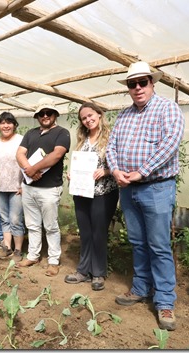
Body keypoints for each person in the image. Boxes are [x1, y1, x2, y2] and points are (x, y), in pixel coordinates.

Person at [106, 61, 185, 331]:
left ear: (153, 83)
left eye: (142, 82)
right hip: (128, 187)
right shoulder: (124, 115)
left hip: (156, 187)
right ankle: (141, 287)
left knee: (159, 245)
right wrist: (116, 170)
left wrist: (142, 171)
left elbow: (171, 143)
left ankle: (164, 301)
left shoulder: (167, 109)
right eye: (132, 83)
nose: (137, 87)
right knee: (138, 242)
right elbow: (111, 146)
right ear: (128, 88)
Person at [65, 102, 119, 291]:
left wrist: (106, 171)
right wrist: (71, 174)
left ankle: (98, 272)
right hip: (82, 192)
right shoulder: (82, 139)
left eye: (90, 115)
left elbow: (121, 162)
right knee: (85, 232)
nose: (88, 120)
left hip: (103, 193)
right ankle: (83, 271)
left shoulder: (112, 136)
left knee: (98, 232)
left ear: (99, 114)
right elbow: (77, 162)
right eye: (84, 118)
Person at [15, 97, 71, 277]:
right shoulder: (31, 133)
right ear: (37, 116)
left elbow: (57, 155)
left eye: (48, 113)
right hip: (29, 187)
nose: (45, 116)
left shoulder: (62, 133)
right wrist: (28, 170)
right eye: (41, 114)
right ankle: (33, 255)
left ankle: (53, 260)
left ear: (55, 114)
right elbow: (20, 153)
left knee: (51, 226)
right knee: (32, 225)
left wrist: (33, 169)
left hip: (49, 189)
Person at [0, 112, 25, 262]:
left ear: (14, 124)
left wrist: (24, 185)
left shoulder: (21, 140)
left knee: (15, 219)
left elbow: (28, 164)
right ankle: (7, 248)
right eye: (2, 123)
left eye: (9, 122)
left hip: (16, 187)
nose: (6, 125)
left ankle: (18, 250)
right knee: (4, 218)